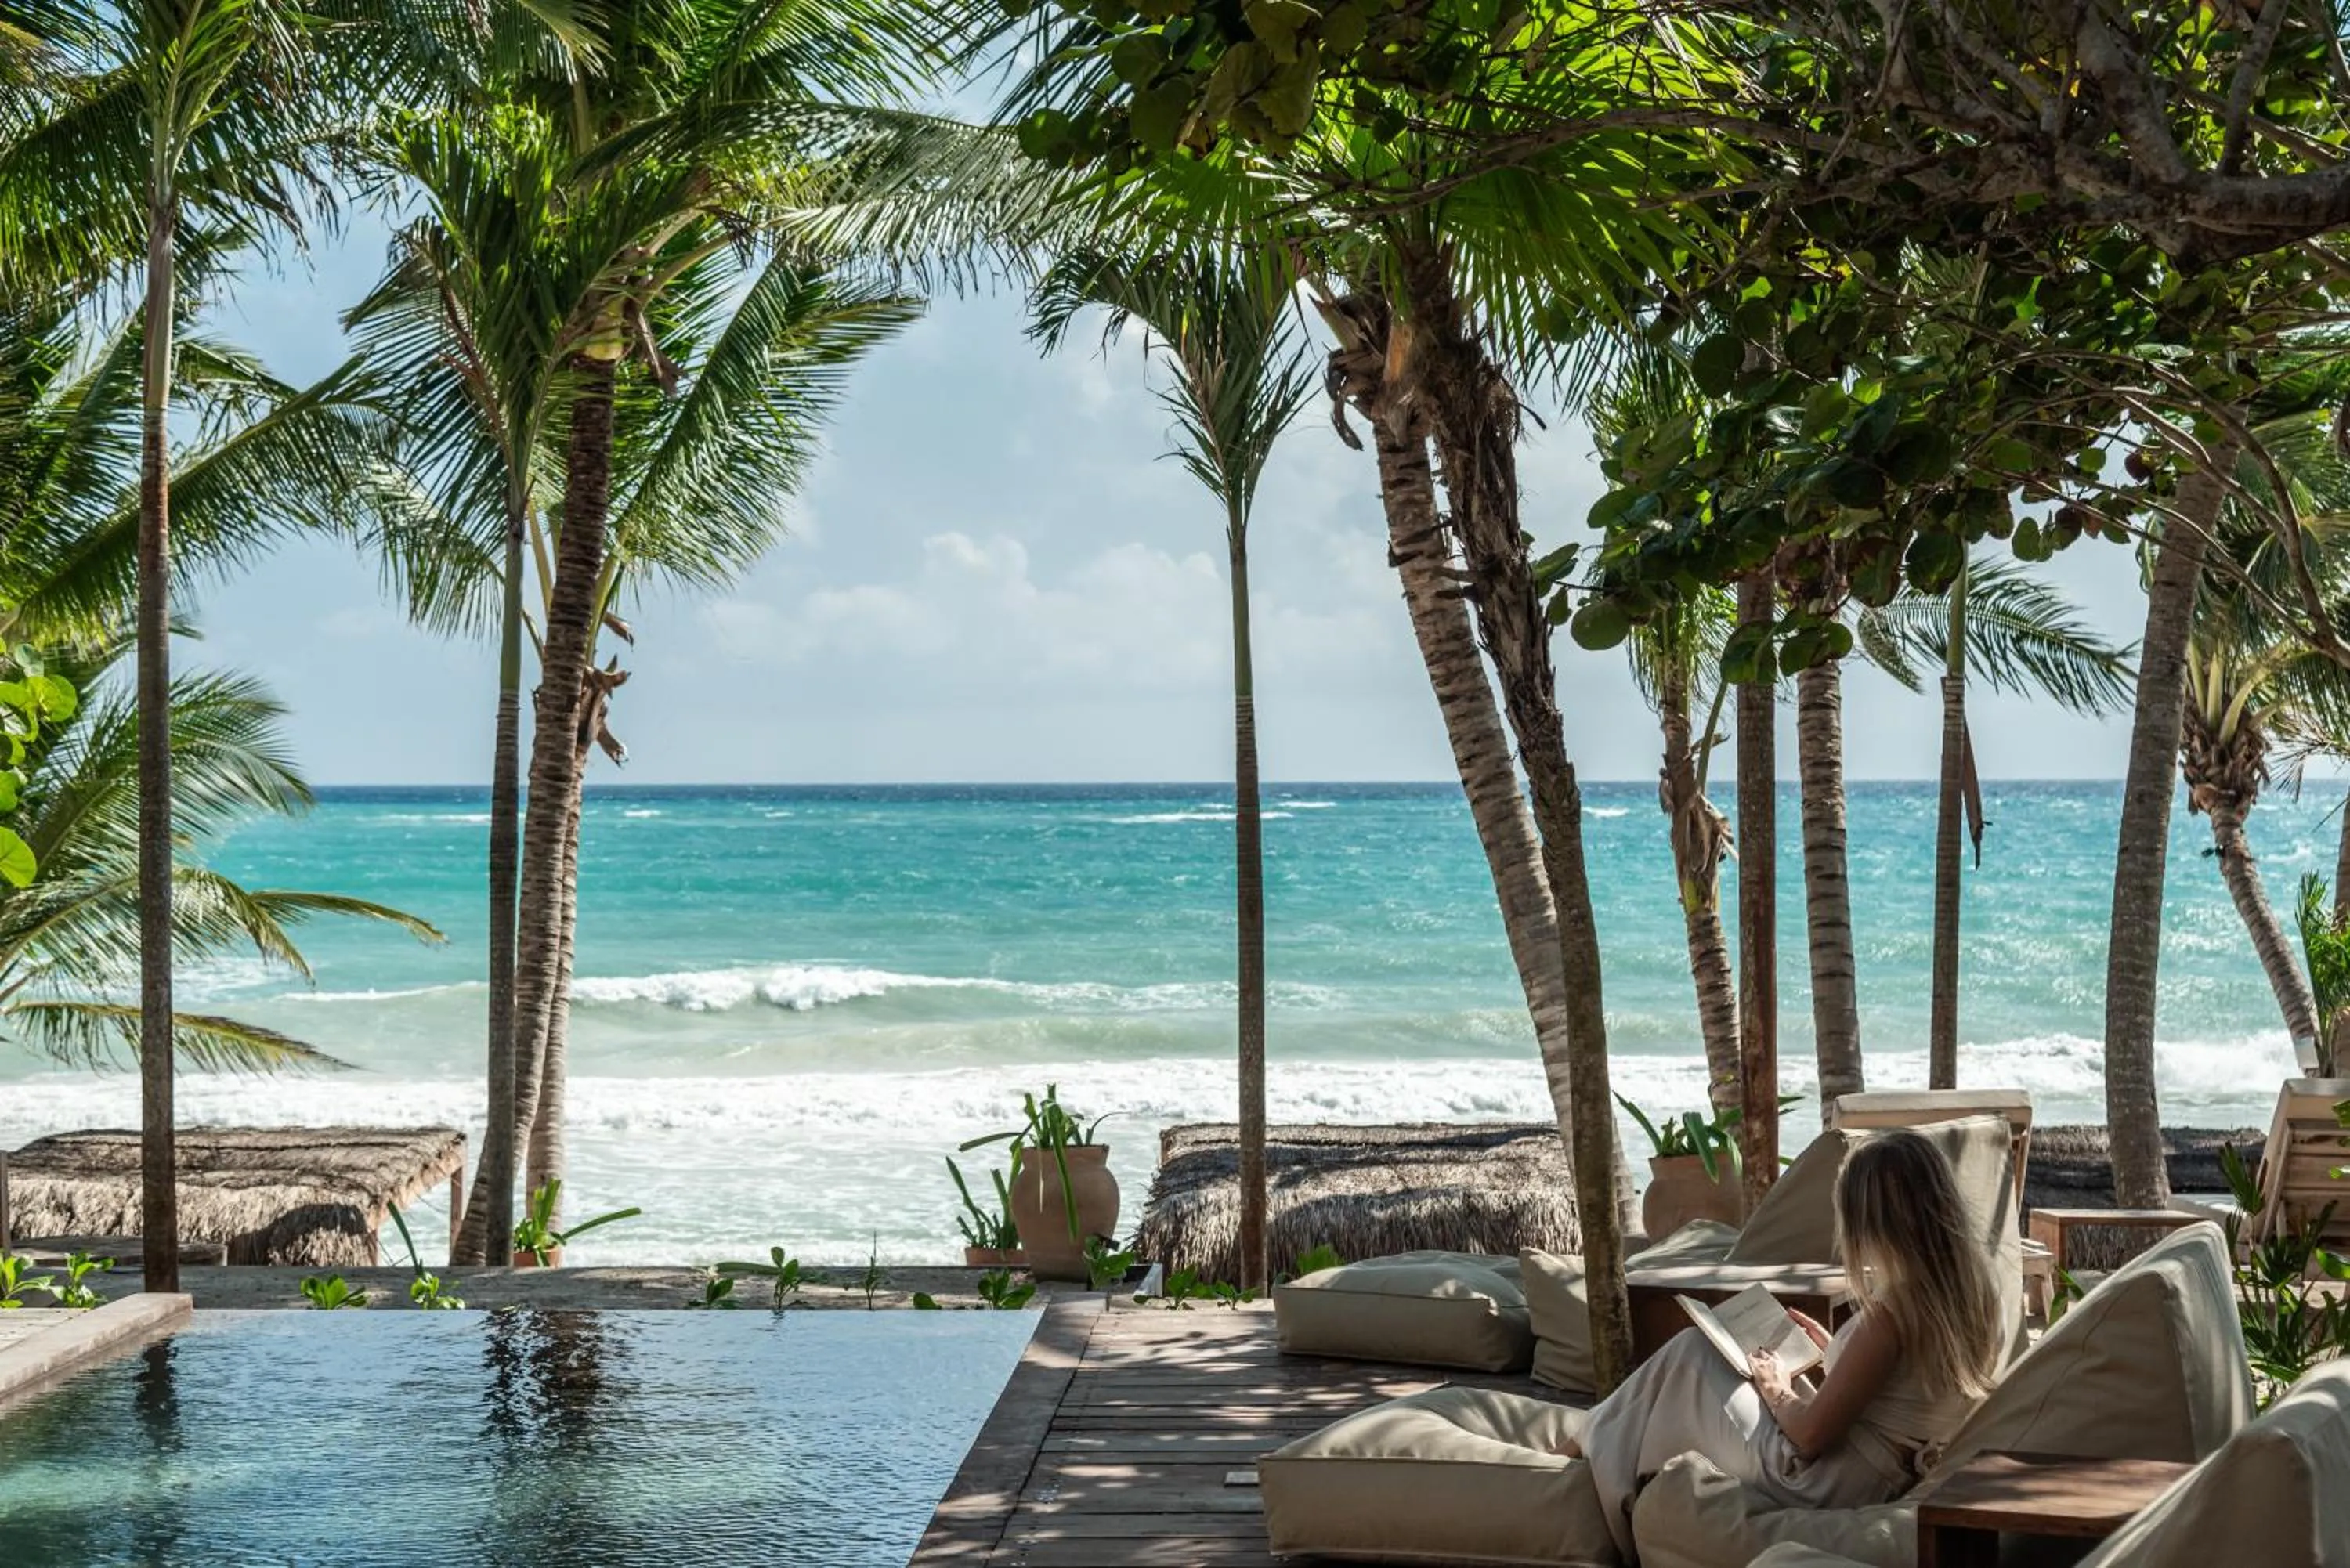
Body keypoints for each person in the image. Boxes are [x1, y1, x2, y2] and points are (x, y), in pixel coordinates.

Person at [1564, 1129, 2006, 1558]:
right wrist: (1839, 1350)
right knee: (1690, 1368)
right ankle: (1597, 1445)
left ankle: (1583, 1459)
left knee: (1691, 1355)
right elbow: (1909, 1387)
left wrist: (1776, 1386)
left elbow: (1811, 1436)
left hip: (1822, 1481)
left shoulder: (1894, 1313)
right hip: (1881, 1470)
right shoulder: (1973, 1294)